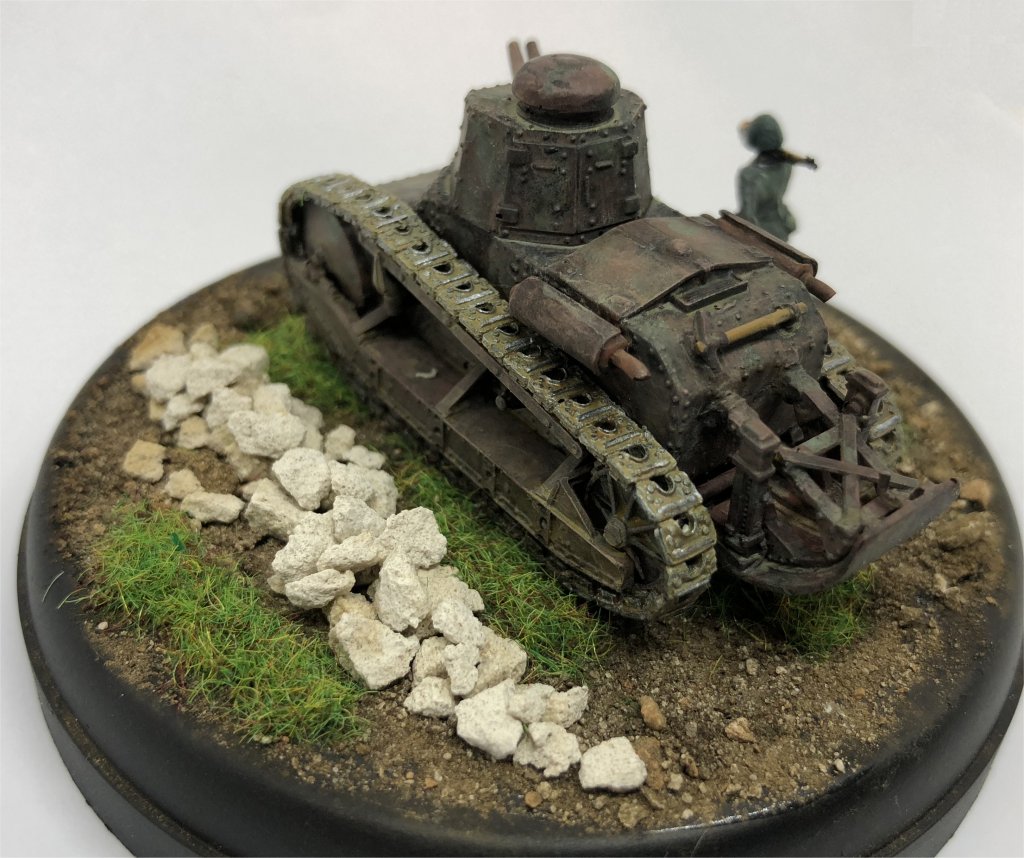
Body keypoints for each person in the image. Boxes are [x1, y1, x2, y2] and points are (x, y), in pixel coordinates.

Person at [736, 114, 817, 242]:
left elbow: (747, 216)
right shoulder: (785, 165)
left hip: (761, 230)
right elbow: (786, 156)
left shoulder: (749, 176)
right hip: (780, 222)